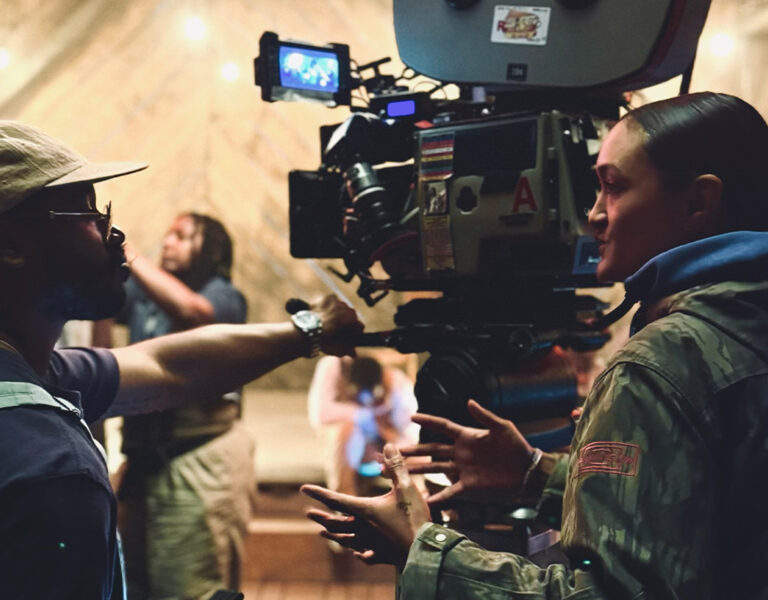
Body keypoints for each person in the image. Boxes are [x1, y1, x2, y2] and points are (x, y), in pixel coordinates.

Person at [301, 91, 768, 599]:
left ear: (698, 202)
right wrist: (538, 474)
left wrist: (423, 549)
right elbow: (706, 519)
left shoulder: (659, 366)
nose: (592, 215)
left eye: (611, 188)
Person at [0, 120, 361, 600]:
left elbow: (167, 367)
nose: (114, 232)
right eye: (88, 211)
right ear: (9, 247)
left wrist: (309, 330)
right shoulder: (52, 468)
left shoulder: (34, 376)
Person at [102, 213, 252, 599]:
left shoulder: (222, 294)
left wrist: (127, 252)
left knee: (191, 586)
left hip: (197, 459)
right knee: (133, 582)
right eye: (167, 234)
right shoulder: (146, 295)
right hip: (145, 458)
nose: (168, 242)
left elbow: (194, 313)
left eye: (182, 236)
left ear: (211, 249)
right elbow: (99, 305)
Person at [307, 354, 419, 495]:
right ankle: (344, 504)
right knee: (345, 430)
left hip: (386, 449)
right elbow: (320, 414)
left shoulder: (398, 386)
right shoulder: (334, 365)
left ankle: (415, 507)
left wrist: (389, 439)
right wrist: (365, 416)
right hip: (348, 448)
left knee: (418, 455)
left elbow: (412, 432)